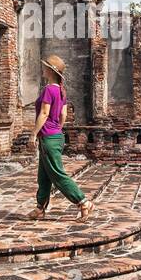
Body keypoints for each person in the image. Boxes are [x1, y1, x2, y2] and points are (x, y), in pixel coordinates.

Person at [29, 54, 93, 221]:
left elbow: (44, 113)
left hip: (48, 137)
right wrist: (57, 129)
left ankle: (83, 201)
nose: (43, 69)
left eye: (45, 67)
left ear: (51, 70)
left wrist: (33, 134)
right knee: (43, 175)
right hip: (56, 135)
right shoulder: (61, 91)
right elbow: (63, 115)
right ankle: (40, 208)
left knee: (57, 174)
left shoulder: (49, 90)